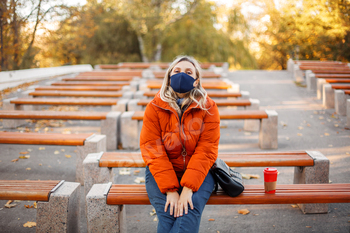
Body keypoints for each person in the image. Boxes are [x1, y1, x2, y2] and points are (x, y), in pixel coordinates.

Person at [140, 55, 220, 233]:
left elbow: (207, 150)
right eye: (176, 71)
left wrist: (188, 188)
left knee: (188, 213)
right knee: (168, 214)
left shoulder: (209, 108)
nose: (181, 75)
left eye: (188, 72)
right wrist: (170, 190)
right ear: (169, 77)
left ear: (196, 81)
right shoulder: (154, 107)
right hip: (160, 172)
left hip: (200, 171)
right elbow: (152, 150)